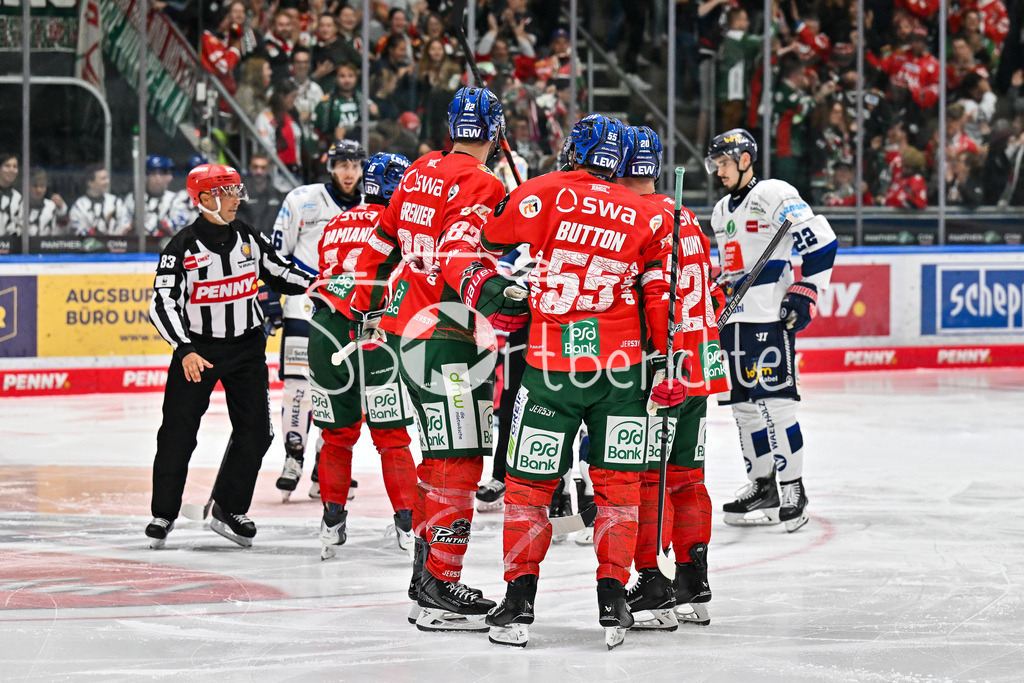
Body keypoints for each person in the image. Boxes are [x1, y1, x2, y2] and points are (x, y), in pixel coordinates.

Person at [441, 114, 684, 649]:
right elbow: (659, 296)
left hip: (552, 368)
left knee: (528, 488)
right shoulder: (648, 214)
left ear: (574, 148)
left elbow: (486, 237)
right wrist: (668, 362)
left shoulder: (540, 191)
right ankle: (613, 598)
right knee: (619, 487)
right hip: (622, 372)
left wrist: (493, 288)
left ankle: (519, 603)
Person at [349, 87, 517, 631]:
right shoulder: (484, 181)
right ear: (496, 132)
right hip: (444, 334)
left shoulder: (421, 168)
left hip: (406, 327)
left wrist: (365, 301)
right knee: (459, 458)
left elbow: (381, 239)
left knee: (442, 454)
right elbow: (459, 256)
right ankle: (439, 585)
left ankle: (428, 577)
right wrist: (503, 297)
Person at [146, 163, 314, 549]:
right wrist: (184, 348)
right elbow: (161, 305)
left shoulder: (247, 236)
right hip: (197, 353)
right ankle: (163, 513)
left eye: (237, 190)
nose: (237, 198)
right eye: (228, 191)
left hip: (245, 348)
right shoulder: (181, 248)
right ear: (204, 198)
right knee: (177, 434)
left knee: (256, 432)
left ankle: (229, 507)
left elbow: (278, 271)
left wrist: (319, 283)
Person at [614, 126, 729, 631]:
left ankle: (652, 581)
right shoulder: (686, 217)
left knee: (643, 479)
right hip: (698, 367)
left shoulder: (628, 218)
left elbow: (648, 300)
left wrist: (660, 358)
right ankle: (693, 578)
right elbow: (711, 296)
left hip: (658, 370)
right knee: (688, 478)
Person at [705, 128, 837, 533]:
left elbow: (822, 243)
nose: (719, 172)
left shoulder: (774, 193)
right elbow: (730, 268)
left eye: (724, 163)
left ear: (745, 159)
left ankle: (793, 485)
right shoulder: (721, 211)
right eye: (715, 165)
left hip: (766, 316)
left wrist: (806, 290)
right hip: (732, 319)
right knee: (743, 408)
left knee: (777, 404)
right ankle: (763, 484)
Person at [307, 152, 418, 560]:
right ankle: (407, 527)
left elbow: (327, 268)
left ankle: (331, 524)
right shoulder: (400, 226)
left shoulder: (334, 222)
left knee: (337, 436)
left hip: (323, 331)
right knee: (391, 437)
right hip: (374, 329)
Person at [270, 139, 367, 501]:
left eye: (355, 165)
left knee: (341, 389)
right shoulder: (302, 199)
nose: (349, 172)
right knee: (297, 387)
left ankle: (325, 464)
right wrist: (270, 298)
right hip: (302, 308)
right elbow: (277, 252)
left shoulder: (371, 205)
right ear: (330, 166)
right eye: (343, 164)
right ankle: (292, 458)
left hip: (349, 313)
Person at [124, 155, 192, 237]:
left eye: (161, 173)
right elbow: (123, 228)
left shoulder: (176, 200)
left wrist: (163, 227)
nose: (157, 178)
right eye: (153, 173)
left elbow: (181, 226)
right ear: (146, 176)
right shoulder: (133, 199)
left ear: (168, 178)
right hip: (136, 248)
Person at [255, 78, 304, 191]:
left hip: (294, 173)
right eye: (293, 96)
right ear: (282, 96)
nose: (294, 100)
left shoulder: (290, 117)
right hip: (275, 175)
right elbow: (266, 147)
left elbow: (297, 144)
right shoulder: (265, 118)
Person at [68, 164, 131, 236]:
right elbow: (76, 231)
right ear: (90, 183)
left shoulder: (116, 202)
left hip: (116, 246)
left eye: (107, 178)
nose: (107, 181)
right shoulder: (79, 206)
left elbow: (126, 225)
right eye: (103, 179)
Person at [235, 153, 284, 235]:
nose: (259, 171)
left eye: (263, 168)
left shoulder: (277, 193)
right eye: (255, 167)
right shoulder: (240, 194)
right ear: (250, 168)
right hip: (247, 240)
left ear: (268, 169)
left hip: (270, 242)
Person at [27, 167, 67, 236]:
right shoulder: (19, 206)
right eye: (35, 186)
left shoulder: (52, 206)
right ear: (27, 186)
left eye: (42, 186)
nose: (38, 190)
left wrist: (62, 209)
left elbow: (64, 231)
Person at [0, 153, 22, 236]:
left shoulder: (18, 198)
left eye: (14, 167)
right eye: (7, 166)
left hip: (12, 247)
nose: (11, 170)